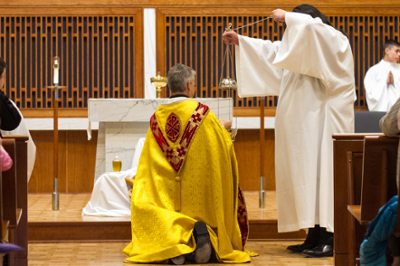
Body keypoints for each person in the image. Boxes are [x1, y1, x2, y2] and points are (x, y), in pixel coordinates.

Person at [223, 4, 355, 258]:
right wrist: (241, 41)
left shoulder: (334, 40)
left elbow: (316, 32)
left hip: (326, 125)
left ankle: (332, 236)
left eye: (293, 26)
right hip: (305, 128)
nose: (290, 33)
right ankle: (314, 234)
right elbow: (274, 53)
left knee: (324, 177)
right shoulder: (301, 48)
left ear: (309, 22)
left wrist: (289, 16)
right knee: (308, 179)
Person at [123, 63, 253, 264]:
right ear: (190, 85)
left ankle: (174, 245)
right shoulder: (203, 114)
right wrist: (223, 129)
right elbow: (220, 149)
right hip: (198, 194)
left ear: (170, 87)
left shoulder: (156, 119)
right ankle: (203, 236)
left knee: (147, 203)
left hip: (165, 195)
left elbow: (146, 164)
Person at [364, 40, 400, 112]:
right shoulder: (374, 71)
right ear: (387, 51)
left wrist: (394, 83)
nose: (399, 54)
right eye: (397, 51)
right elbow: (370, 93)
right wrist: (385, 83)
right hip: (381, 113)